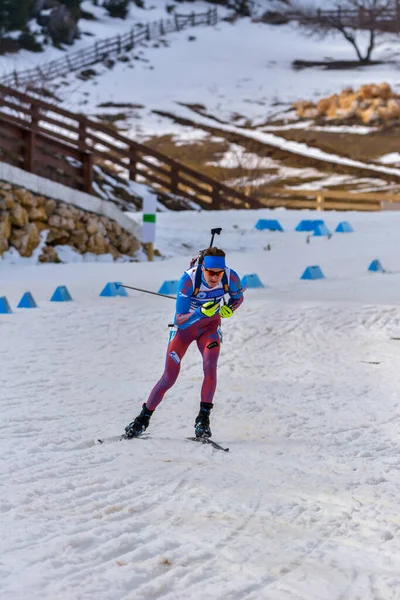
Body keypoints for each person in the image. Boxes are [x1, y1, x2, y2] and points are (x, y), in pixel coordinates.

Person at [124, 247, 244, 439]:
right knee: (169, 377)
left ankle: (203, 421)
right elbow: (180, 319)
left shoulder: (231, 277)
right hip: (185, 331)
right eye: (210, 273)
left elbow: (238, 298)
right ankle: (142, 419)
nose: (214, 278)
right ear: (202, 268)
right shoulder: (188, 280)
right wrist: (199, 312)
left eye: (218, 273)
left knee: (210, 367)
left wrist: (230, 308)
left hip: (210, 329)